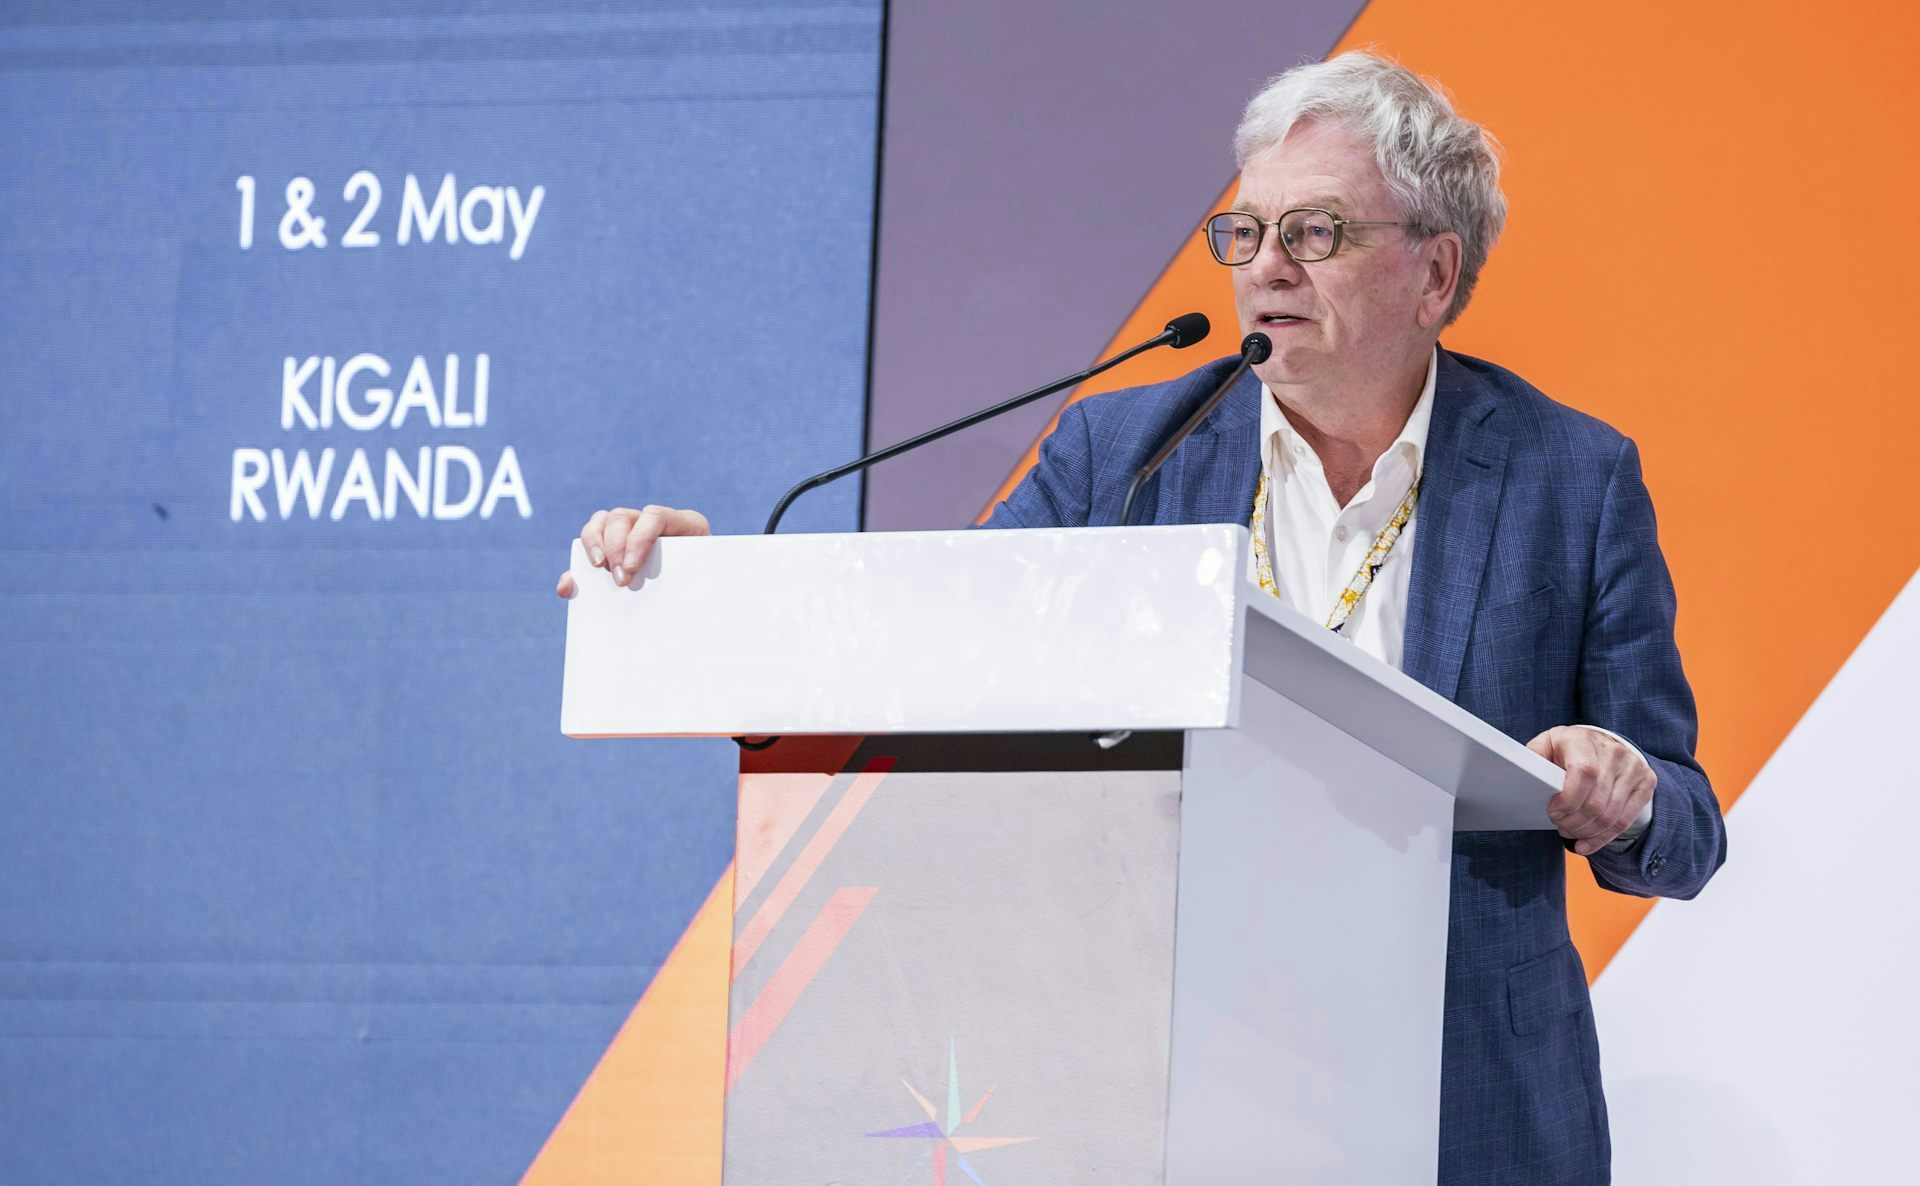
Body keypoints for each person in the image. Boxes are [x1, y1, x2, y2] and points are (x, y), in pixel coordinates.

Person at [558, 51, 1726, 1185]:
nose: (1267, 268)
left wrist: (1626, 793)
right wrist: (720, 603)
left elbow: (1686, 824)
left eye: (1316, 232)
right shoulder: (1123, 453)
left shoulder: (1571, 478)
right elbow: (934, 653)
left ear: (1434, 272)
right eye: (1245, 232)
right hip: (1163, 1070)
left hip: (1461, 1091)